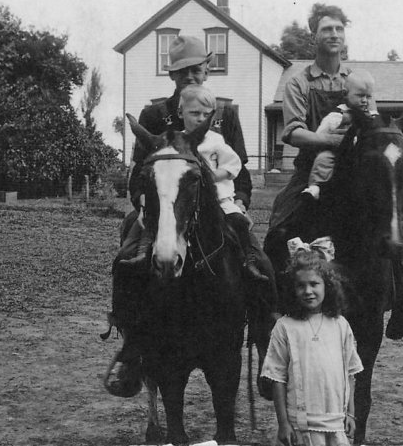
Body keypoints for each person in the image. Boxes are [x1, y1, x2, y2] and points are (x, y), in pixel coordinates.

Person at [109, 36, 275, 397]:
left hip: (215, 209)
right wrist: (142, 200)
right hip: (163, 209)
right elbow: (140, 170)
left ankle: (265, 344)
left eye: (196, 69)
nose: (190, 77)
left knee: (258, 261)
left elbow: (240, 169)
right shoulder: (155, 115)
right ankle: (130, 348)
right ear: (173, 75)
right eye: (183, 71)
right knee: (126, 258)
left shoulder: (223, 112)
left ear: (206, 69)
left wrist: (242, 200)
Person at [263, 3, 352, 276]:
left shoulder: (355, 81)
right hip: (309, 171)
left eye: (339, 28)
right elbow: (293, 132)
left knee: (399, 227)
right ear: (314, 35)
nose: (334, 34)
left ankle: (402, 304)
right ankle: (271, 301)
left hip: (351, 168)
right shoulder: (299, 82)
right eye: (326, 29)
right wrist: (331, 142)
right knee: (280, 224)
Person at [261, 241, 363, 446]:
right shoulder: (285, 327)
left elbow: (350, 373)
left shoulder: (340, 325)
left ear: (328, 286)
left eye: (314, 284)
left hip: (335, 423)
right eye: (301, 285)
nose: (308, 291)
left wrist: (350, 413)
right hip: (300, 426)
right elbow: (277, 378)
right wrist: (283, 423)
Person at [178, 84, 265, 276]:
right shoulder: (176, 141)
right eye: (194, 113)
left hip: (219, 201)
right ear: (180, 112)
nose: (201, 119)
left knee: (239, 222)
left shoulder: (215, 140)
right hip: (186, 202)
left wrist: (213, 176)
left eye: (206, 115)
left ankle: (248, 261)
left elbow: (233, 163)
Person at [301, 70, 376, 201]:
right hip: (338, 154)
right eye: (360, 95)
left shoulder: (373, 117)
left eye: (368, 97)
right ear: (345, 94)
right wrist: (330, 140)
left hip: (365, 156)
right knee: (323, 158)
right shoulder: (337, 116)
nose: (364, 100)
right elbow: (319, 136)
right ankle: (316, 186)